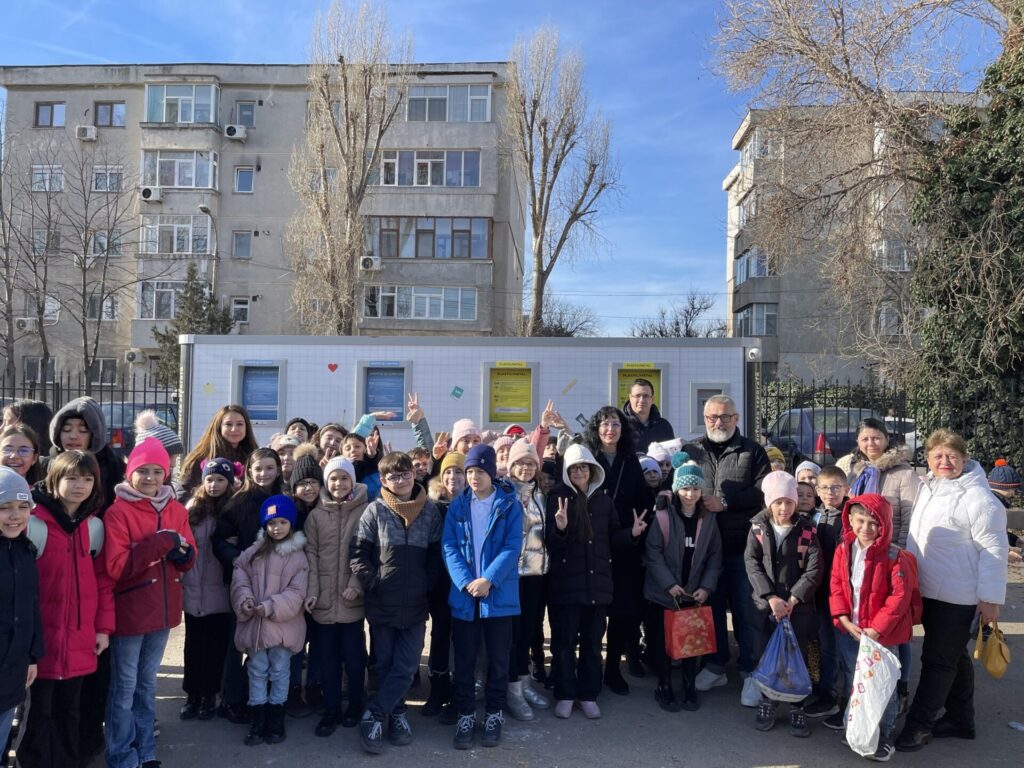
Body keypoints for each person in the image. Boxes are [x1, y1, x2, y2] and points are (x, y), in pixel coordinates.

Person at [896, 429, 1008, 752]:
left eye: (951, 456)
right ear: (928, 458)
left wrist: (990, 600)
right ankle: (961, 719)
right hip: (930, 590)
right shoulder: (931, 487)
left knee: (937, 661)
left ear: (964, 458)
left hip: (958, 597)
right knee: (953, 656)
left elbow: (994, 552)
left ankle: (919, 725)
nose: (944, 461)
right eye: (937, 456)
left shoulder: (980, 499)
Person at [103, 438, 195, 768]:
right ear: (130, 473)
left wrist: (184, 553)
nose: (150, 478)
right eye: (143, 471)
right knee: (125, 687)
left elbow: (189, 555)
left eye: (158, 471)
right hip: (130, 613)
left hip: (164, 612)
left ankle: (146, 749)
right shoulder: (118, 511)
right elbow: (117, 567)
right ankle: (121, 754)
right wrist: (160, 543)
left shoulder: (176, 510)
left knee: (146, 684)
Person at [20, 452, 112, 768]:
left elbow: (103, 582)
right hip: (40, 639)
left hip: (80, 637)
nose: (79, 485)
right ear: (54, 480)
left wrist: (103, 629)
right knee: (39, 710)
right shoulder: (33, 522)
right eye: (71, 478)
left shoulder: (94, 527)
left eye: (87, 479)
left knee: (71, 709)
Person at [350, 452, 442, 755]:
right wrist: (375, 583)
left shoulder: (429, 511)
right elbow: (358, 555)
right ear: (383, 479)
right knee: (385, 664)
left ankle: (375, 713)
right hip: (382, 603)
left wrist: (425, 585)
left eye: (405, 474)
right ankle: (397, 712)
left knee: (406, 664)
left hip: (416, 604)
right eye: (393, 476)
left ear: (414, 475)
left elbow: (435, 556)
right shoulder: (374, 511)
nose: (400, 480)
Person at [685, 394, 771, 705]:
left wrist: (726, 502)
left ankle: (751, 670)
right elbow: (678, 484)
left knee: (748, 611)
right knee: (710, 609)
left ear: (736, 418)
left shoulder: (753, 451)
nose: (718, 422)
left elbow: (764, 492)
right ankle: (716, 665)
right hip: (704, 548)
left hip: (741, 546)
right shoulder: (692, 450)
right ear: (704, 419)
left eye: (725, 416)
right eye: (712, 417)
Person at [545, 444, 634, 720]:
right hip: (565, 586)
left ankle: (588, 694)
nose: (579, 472)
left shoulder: (604, 501)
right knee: (563, 643)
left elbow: (613, 537)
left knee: (593, 644)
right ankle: (565, 693)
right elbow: (550, 543)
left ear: (592, 470)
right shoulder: (557, 497)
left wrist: (631, 533)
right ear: (566, 472)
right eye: (573, 468)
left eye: (583, 467)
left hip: (598, 585)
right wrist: (560, 528)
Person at [837, 417, 920, 710]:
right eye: (865, 439)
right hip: (861, 553)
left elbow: (910, 518)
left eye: (876, 438)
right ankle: (861, 688)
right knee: (864, 618)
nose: (870, 443)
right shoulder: (853, 469)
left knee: (896, 625)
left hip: (891, 555)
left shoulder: (903, 473)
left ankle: (901, 686)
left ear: (886, 439)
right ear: (857, 442)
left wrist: (899, 552)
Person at [443, 445, 523, 749]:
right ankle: (465, 714)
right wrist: (466, 582)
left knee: (498, 660)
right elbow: (449, 547)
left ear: (491, 472)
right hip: (465, 595)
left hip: (498, 595)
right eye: (470, 471)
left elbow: (512, 546)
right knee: (464, 660)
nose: (474, 477)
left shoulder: (509, 504)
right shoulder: (458, 506)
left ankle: (493, 713)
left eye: (480, 471)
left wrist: (489, 579)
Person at [830, 494, 918, 762]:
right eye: (860, 521)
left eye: (873, 523)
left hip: (882, 636)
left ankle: (884, 735)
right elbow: (836, 585)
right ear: (850, 519)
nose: (866, 528)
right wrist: (843, 619)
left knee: (882, 687)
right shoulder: (844, 550)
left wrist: (877, 629)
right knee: (854, 681)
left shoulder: (895, 556)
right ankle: (857, 727)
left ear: (884, 525)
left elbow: (899, 598)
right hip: (851, 630)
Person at [745, 471, 821, 738]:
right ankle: (768, 701)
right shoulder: (757, 528)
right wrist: (771, 597)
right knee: (766, 655)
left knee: (796, 658)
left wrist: (792, 599)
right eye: (778, 502)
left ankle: (797, 706)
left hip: (798, 608)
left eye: (789, 502)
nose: (784, 508)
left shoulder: (808, 530)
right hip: (766, 606)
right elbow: (752, 563)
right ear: (769, 503)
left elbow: (814, 569)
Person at [644, 454, 722, 712]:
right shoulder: (664, 515)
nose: (691, 494)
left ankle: (689, 686)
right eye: (686, 488)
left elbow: (714, 555)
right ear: (677, 489)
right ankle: (664, 685)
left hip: (693, 592)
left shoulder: (708, 518)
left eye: (696, 488)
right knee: (663, 642)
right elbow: (653, 552)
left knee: (692, 642)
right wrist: (669, 584)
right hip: (665, 593)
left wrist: (706, 587)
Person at [213, 447, 285, 723]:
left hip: (277, 583)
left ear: (278, 470)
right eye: (258, 468)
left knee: (272, 643)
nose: (264, 474)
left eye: (269, 468)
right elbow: (219, 540)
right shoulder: (238, 502)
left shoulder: (285, 500)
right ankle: (231, 699)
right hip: (244, 581)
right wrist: (236, 559)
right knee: (238, 641)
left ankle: (266, 698)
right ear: (249, 471)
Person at [583, 406, 650, 696]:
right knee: (593, 612)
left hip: (625, 541)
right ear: (596, 429)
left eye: (616, 424)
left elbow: (642, 498)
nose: (610, 429)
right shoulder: (587, 458)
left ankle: (613, 669)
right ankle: (589, 669)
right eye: (605, 424)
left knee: (622, 611)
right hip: (592, 541)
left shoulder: (630, 459)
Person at [232, 495, 308, 746]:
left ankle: (276, 718)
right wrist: (244, 598)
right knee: (256, 670)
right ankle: (258, 719)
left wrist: (270, 606)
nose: (277, 528)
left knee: (279, 670)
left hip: (282, 626)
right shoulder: (254, 551)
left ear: (291, 524)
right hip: (256, 626)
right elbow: (239, 573)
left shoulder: (298, 557)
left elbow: (296, 593)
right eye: (272, 523)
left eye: (283, 522)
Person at [304, 457, 369, 736]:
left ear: (352, 481)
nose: (339, 484)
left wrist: (357, 583)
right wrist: (312, 591)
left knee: (354, 659)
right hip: (324, 600)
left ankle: (355, 704)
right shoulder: (316, 515)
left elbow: (370, 551)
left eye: (344, 478)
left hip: (352, 599)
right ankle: (331, 709)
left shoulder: (366, 510)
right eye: (333, 478)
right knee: (327, 661)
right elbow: (311, 555)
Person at [180, 458, 237, 722]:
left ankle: (209, 696)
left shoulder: (232, 509)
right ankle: (192, 695)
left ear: (229, 482)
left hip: (220, 590)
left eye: (220, 480)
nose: (214, 485)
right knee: (193, 645)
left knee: (216, 647)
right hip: (193, 586)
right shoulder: (193, 507)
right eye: (210, 479)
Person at [505, 439, 551, 720]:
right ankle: (511, 690)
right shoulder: (503, 492)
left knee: (528, 632)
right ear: (511, 465)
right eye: (520, 462)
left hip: (537, 574)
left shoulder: (542, 493)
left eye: (530, 463)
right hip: (510, 576)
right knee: (511, 635)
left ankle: (524, 683)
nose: (526, 467)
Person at [0, 468, 42, 754]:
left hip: (14, 666)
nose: (15, 515)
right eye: (5, 507)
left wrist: (32, 657)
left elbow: (31, 606)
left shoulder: (25, 550)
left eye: (23, 506)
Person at [422, 451, 465, 721]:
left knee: (463, 639)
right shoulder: (431, 506)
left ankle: (460, 693)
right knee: (439, 635)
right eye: (448, 472)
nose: (453, 477)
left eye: (458, 471)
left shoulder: (473, 504)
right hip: (438, 583)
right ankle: (437, 690)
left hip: (466, 583)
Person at [807, 465, 850, 723]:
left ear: (846, 489)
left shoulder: (850, 516)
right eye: (824, 488)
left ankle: (845, 702)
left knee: (844, 649)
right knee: (826, 646)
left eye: (835, 487)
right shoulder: (817, 515)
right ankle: (827, 694)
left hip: (841, 592)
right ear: (817, 490)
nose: (830, 492)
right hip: (820, 591)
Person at [44, 397, 125, 509]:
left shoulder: (114, 467)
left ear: (95, 435)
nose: (73, 436)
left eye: (83, 430)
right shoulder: (43, 465)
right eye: (66, 429)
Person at [180, 405, 259, 501]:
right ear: (219, 427)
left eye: (240, 424)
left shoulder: (253, 456)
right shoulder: (202, 457)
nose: (234, 429)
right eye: (228, 424)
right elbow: (183, 493)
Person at [622, 378, 674, 452]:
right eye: (637, 395)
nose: (641, 400)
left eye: (646, 396)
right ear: (630, 398)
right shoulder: (620, 425)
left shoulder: (664, 426)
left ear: (652, 399)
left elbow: (672, 453)